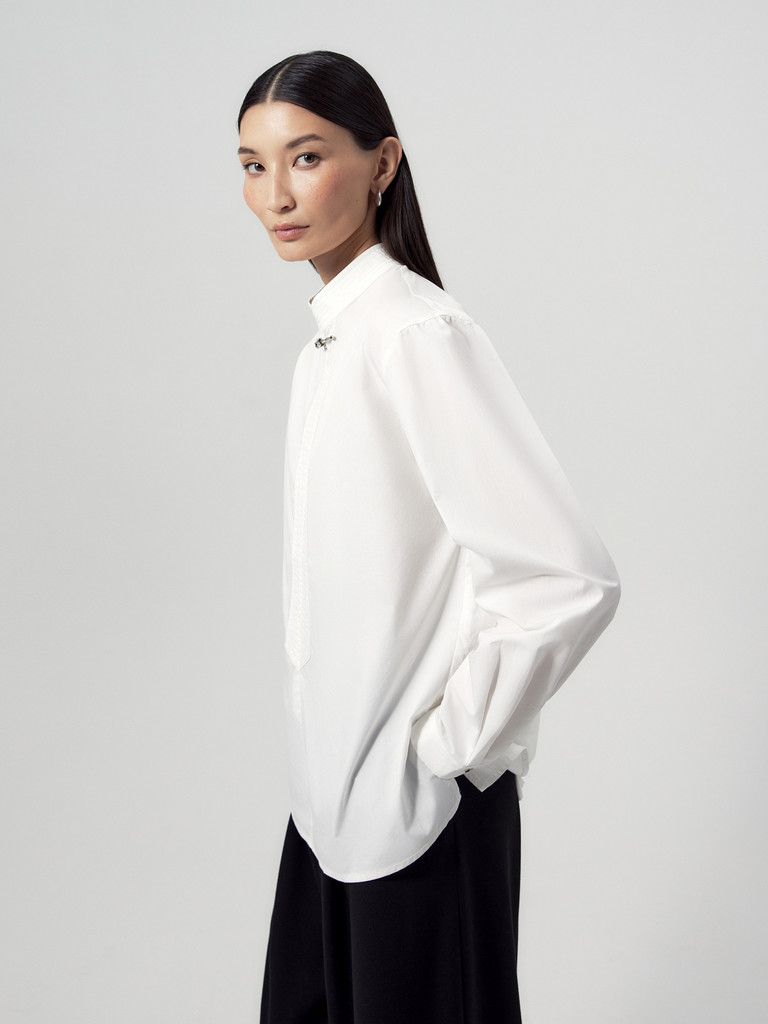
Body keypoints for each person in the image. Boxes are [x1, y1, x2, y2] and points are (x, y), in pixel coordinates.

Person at [237, 50, 620, 1024]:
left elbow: (568, 576)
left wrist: (446, 748)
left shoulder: (415, 333)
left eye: (306, 157)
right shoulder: (332, 345)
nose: (276, 194)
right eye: (252, 165)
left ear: (383, 162)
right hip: (329, 811)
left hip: (417, 821)